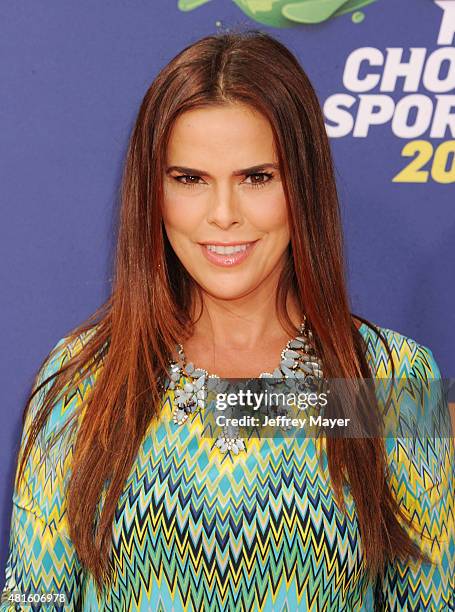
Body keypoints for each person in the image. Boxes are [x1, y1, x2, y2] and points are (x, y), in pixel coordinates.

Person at [1, 30, 454, 611]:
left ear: (303, 187)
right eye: (189, 179)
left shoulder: (389, 382)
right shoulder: (84, 380)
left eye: (256, 178)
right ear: (153, 192)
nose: (222, 216)